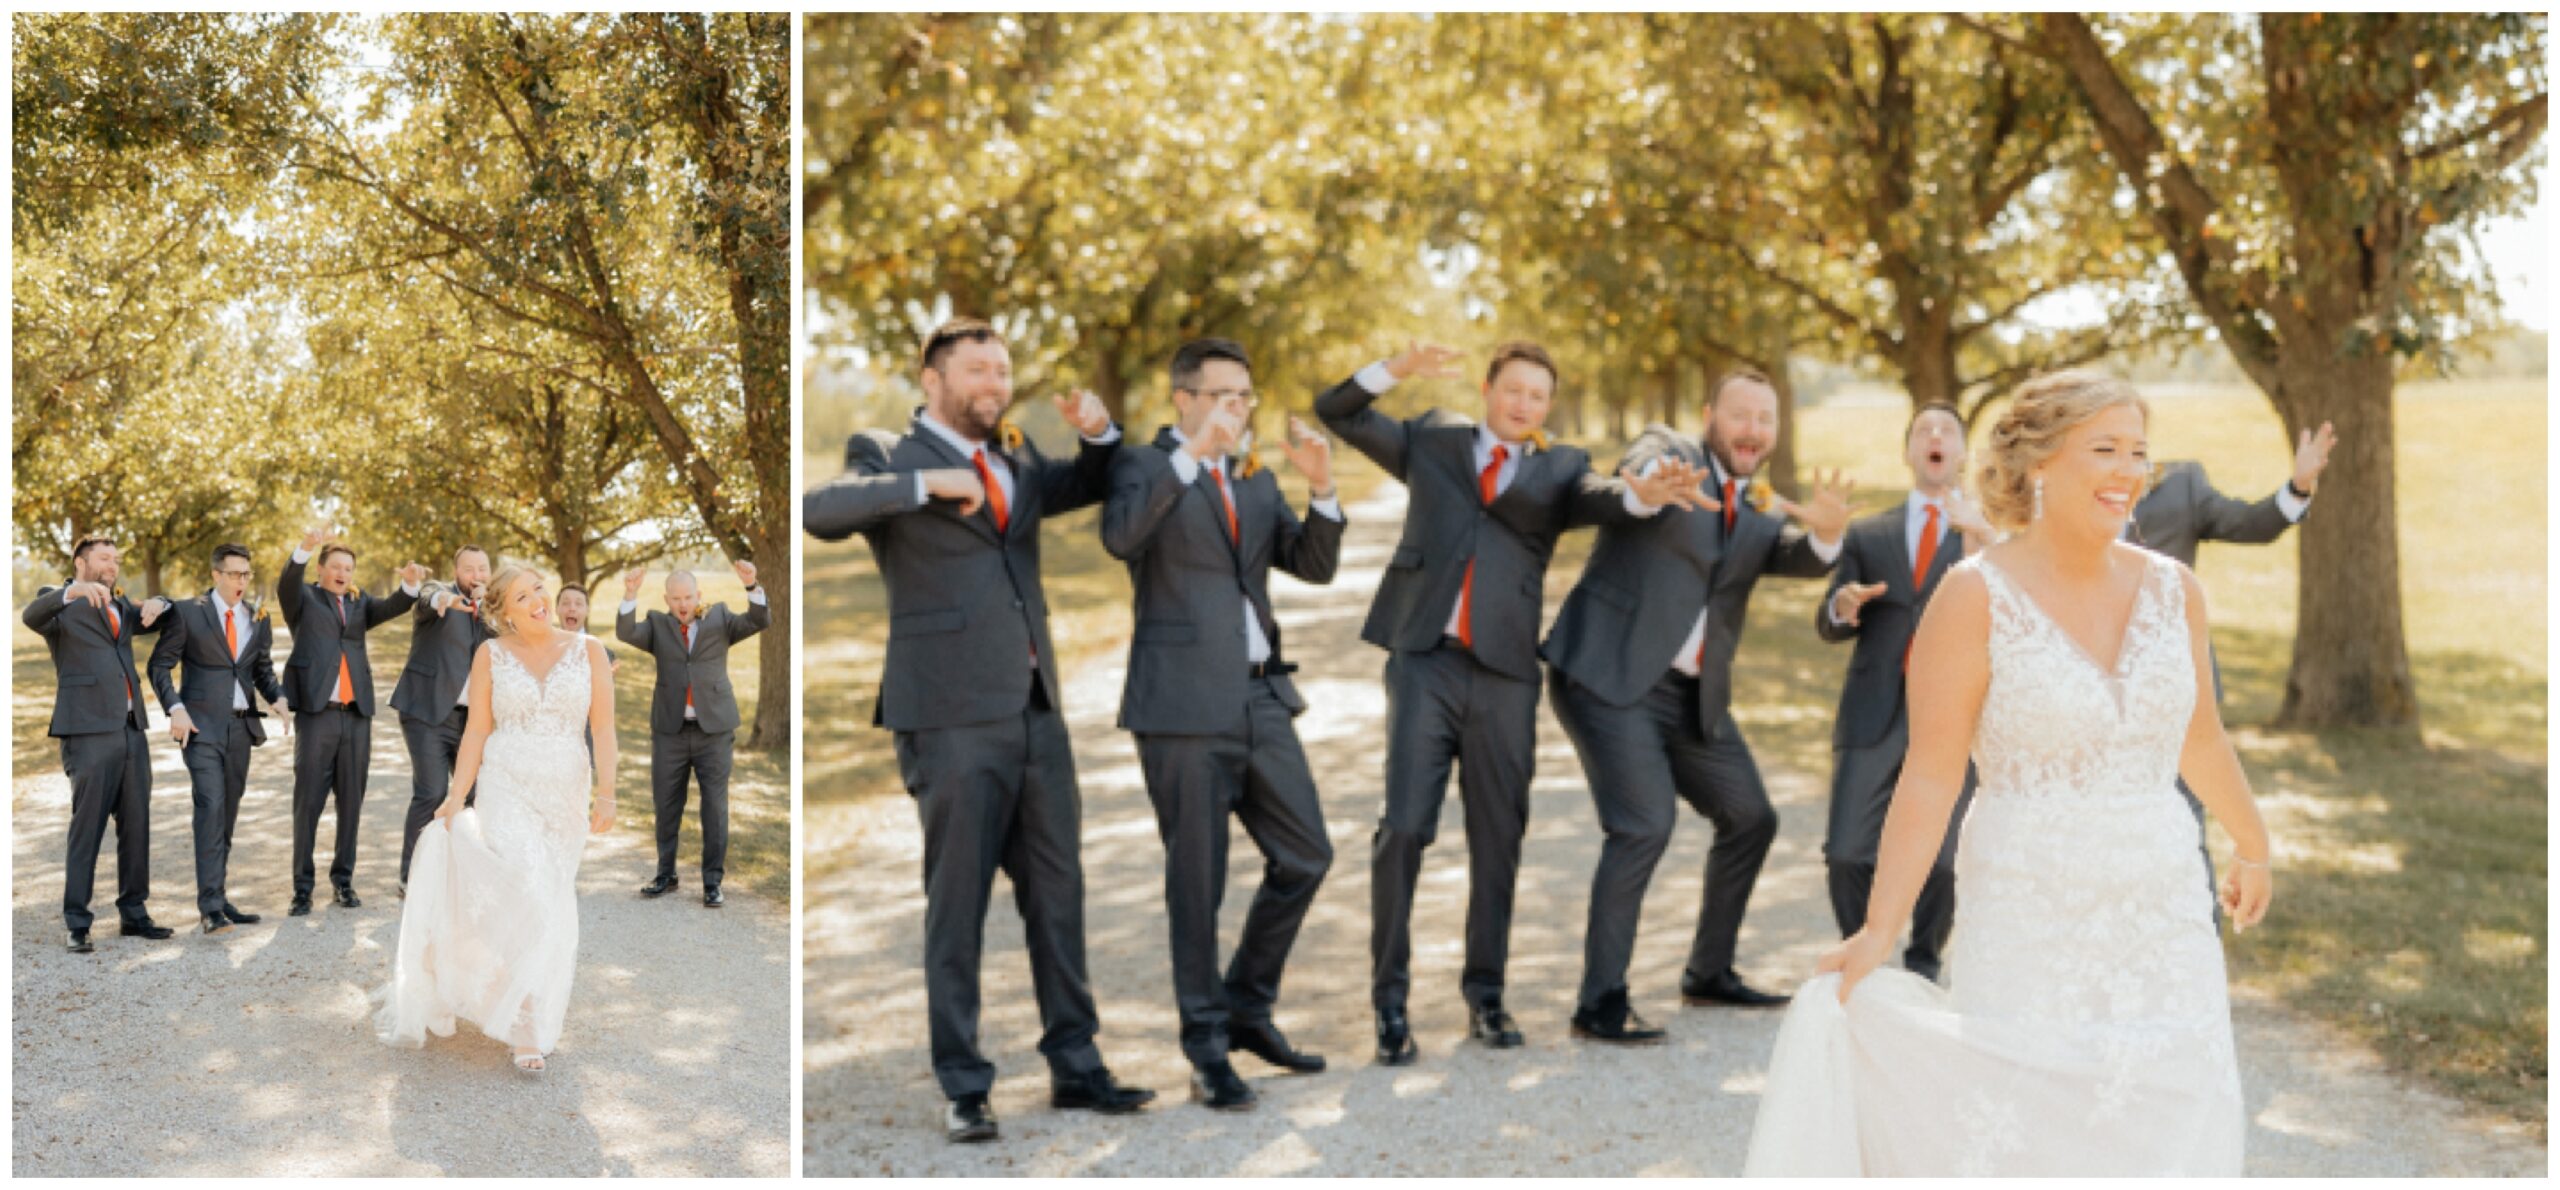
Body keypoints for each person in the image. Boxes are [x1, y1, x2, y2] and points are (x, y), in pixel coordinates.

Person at [1745, 371, 2274, 1175]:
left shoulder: (2176, 591)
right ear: (2039, 463)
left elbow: (2200, 738)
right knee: (2032, 1132)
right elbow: (1929, 776)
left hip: (2164, 917)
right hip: (2032, 914)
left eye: (2139, 451)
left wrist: (2253, 844)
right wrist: (1881, 929)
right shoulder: (1973, 598)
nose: (2129, 471)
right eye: (2105, 449)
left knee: (2177, 1120)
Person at [803, 316, 1152, 1143]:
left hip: (1037, 713)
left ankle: (1077, 1066)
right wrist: (930, 489)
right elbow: (823, 510)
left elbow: (1086, 481)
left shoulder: (1018, 454)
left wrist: (1101, 433)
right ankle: (965, 1084)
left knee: (1059, 897)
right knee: (955, 908)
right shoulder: (887, 453)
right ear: (933, 380)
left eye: (1002, 371)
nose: (995, 385)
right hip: (949, 719)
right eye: (978, 372)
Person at [1314, 340, 1704, 1062]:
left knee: (1499, 836)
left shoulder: (1558, 468)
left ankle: (1485, 997)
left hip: (1503, 677)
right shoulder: (1433, 439)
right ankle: (1390, 1006)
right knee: (1402, 827)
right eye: (1513, 389)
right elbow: (1336, 410)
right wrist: (1394, 369)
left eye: (1537, 396)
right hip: (1424, 661)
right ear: (1489, 389)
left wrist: (1639, 495)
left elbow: (1601, 497)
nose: (1524, 404)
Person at [1541, 368, 1850, 1042]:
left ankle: (1708, 973)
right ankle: (1600, 1001)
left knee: (1751, 817)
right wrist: (1645, 487)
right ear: (1711, 414)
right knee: (1644, 824)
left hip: (1690, 696)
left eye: (1765, 420)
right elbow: (1640, 471)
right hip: (1610, 675)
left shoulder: (1762, 503)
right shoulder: (1668, 451)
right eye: (1740, 415)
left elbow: (1791, 555)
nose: (1753, 431)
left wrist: (1827, 540)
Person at [1100, 337, 1344, 1110]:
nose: (1240, 408)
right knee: (1197, 882)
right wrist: (1189, 460)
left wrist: (1324, 490)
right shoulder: (1143, 466)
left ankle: (1246, 1006)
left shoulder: (1254, 475)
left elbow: (1311, 564)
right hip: (1178, 709)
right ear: (1185, 399)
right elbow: (1120, 538)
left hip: (1263, 700)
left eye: (1246, 396)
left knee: (1307, 854)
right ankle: (1206, 1048)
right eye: (1225, 395)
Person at [377, 564, 617, 1074]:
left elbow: (605, 729)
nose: (538, 601)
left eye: (540, 590)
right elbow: (476, 731)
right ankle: (525, 1020)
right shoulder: (490, 655)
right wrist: (455, 796)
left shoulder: (589, 651)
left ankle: (489, 982)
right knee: (525, 889)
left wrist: (609, 795)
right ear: (503, 612)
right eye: (523, 596)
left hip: (563, 797)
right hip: (505, 787)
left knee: (549, 900)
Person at [1811, 402, 1992, 982]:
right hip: (1873, 712)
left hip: (1952, 716)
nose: (1935, 437)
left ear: (1962, 453)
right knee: (1845, 853)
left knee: (1943, 864)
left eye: (1947, 431)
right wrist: (1842, 606)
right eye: (1923, 431)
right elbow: (1831, 615)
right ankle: (1864, 955)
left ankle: (1922, 963)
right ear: (1909, 450)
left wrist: (1980, 538)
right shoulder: (1870, 533)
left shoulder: (1988, 535)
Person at [26, 536, 174, 952]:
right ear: (81, 561)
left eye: (117, 558)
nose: (113, 564)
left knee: (136, 823)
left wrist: (160, 602)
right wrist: (71, 591)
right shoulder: (57, 603)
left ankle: (134, 913)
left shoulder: (121, 605)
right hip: (87, 731)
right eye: (105, 558)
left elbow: (164, 615)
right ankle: (77, 921)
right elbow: (30, 615)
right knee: (86, 827)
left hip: (131, 729)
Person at [276, 528, 421, 914]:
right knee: (307, 804)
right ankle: (302, 888)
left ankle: (344, 882)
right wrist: (304, 547)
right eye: (336, 566)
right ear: (321, 569)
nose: (343, 573)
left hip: (357, 716)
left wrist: (409, 586)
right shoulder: (303, 599)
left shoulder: (359, 604)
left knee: (352, 803)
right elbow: (288, 580)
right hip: (316, 716)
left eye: (349, 568)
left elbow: (393, 606)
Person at [146, 542, 288, 934]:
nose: (241, 581)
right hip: (200, 727)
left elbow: (261, 669)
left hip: (242, 728)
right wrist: (176, 708)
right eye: (233, 574)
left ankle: (219, 896)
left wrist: (278, 698)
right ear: (216, 575)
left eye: (246, 574)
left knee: (226, 813)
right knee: (210, 806)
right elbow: (159, 665)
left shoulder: (257, 617)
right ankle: (210, 907)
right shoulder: (189, 613)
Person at [617, 561, 769, 908]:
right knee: (666, 804)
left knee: (714, 808)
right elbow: (626, 632)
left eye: (688, 597)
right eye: (675, 599)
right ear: (667, 599)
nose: (682, 604)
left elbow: (759, 620)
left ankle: (712, 882)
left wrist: (751, 586)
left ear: (698, 595)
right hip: (669, 731)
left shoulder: (720, 619)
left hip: (713, 731)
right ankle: (665, 873)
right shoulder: (658, 625)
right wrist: (630, 593)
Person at [390, 545, 492, 896]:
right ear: (456, 571)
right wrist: (442, 602)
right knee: (431, 792)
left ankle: (465, 871)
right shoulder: (440, 593)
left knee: (477, 796)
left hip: (474, 723)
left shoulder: (496, 611)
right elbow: (425, 599)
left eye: (482, 569)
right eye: (469, 569)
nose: (476, 576)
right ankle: (411, 875)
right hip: (427, 713)